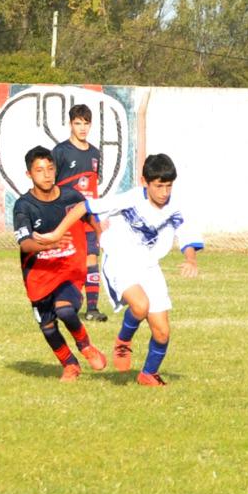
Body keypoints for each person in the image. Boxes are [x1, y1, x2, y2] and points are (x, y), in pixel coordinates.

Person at [87, 153, 203, 387]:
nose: (164, 192)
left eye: (168, 186)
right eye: (159, 186)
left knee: (162, 332)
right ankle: (123, 341)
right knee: (140, 306)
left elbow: (187, 236)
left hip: (149, 266)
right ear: (145, 182)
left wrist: (190, 259)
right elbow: (89, 208)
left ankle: (148, 373)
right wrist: (98, 232)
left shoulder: (175, 208)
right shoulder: (130, 199)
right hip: (120, 261)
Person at [13, 146, 107, 381]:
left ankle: (85, 346)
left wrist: (102, 235)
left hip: (69, 270)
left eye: (50, 169)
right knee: (47, 326)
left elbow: (90, 215)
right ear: (29, 175)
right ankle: (69, 364)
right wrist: (49, 245)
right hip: (38, 275)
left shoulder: (71, 197)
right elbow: (25, 244)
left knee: (65, 309)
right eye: (39, 170)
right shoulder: (24, 206)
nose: (46, 174)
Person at [52, 103, 107, 321]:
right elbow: (53, 185)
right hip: (67, 217)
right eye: (78, 123)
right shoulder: (60, 151)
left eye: (86, 123)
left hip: (89, 216)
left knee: (91, 258)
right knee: (67, 262)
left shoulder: (95, 153)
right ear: (70, 124)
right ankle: (62, 305)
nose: (82, 128)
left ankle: (92, 309)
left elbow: (94, 184)